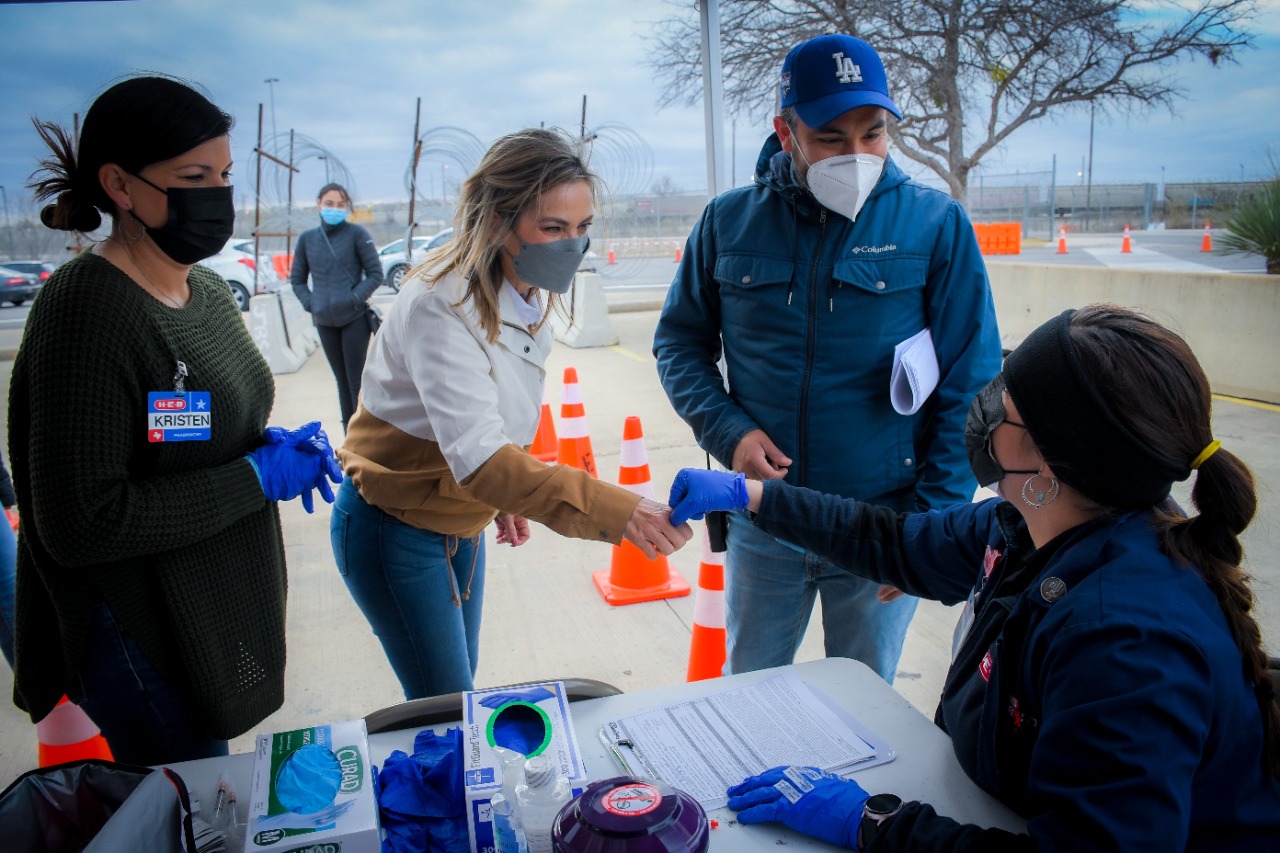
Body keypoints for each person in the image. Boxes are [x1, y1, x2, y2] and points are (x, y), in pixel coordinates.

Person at [668, 304, 1280, 850]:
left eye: (1003, 410)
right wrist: (750, 496)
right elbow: (895, 542)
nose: (981, 413)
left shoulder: (1123, 644)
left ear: (1049, 463)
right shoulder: (1029, 525)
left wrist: (873, 822)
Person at [14, 75, 341, 765]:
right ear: (120, 184)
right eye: (193, 176)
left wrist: (267, 445)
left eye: (223, 174)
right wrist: (254, 477)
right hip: (142, 631)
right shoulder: (88, 309)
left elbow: (190, 432)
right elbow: (81, 521)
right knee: (188, 799)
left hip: (208, 601)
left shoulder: (210, 292)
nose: (218, 195)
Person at [653, 32, 1001, 682]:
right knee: (752, 689)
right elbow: (678, 343)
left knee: (864, 698)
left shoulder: (935, 224)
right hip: (765, 519)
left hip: (881, 524)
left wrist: (927, 527)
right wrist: (728, 432)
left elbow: (971, 380)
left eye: (872, 133)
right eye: (832, 138)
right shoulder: (728, 222)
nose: (857, 154)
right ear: (788, 135)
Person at [332, 128, 692, 700]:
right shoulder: (440, 303)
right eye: (553, 228)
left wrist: (502, 494)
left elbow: (489, 418)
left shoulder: (524, 288)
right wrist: (619, 510)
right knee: (447, 707)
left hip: (459, 519)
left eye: (583, 229)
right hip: (395, 526)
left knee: (460, 687)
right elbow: (478, 457)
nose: (572, 245)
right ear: (499, 222)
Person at [290, 182, 384, 431]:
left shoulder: (357, 235)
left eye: (341, 205)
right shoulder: (307, 239)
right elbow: (297, 280)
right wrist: (312, 304)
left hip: (353, 319)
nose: (334, 209)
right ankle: (348, 437)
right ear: (318, 204)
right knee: (341, 381)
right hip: (324, 321)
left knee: (356, 381)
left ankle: (363, 437)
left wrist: (354, 298)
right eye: (329, 204)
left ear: (347, 207)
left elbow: (375, 274)